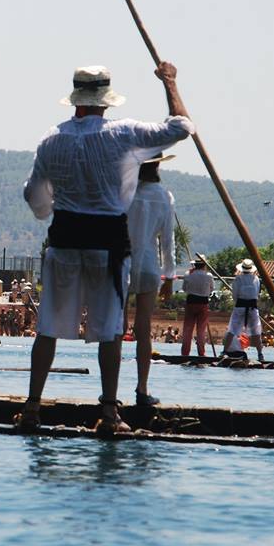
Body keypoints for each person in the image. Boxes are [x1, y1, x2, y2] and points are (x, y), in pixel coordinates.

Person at [14, 61, 194, 435]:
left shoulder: (51, 139)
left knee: (47, 327)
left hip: (63, 240)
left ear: (76, 99)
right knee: (110, 330)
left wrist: (52, 206)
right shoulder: (123, 134)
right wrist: (170, 83)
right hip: (107, 244)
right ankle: (110, 415)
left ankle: (32, 408)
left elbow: (35, 197)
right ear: (106, 101)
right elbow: (181, 127)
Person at [125, 153, 177, 406]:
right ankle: (142, 389)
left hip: (122, 263)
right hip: (148, 265)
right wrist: (169, 275)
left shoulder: (124, 191)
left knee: (116, 328)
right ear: (157, 165)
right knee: (143, 330)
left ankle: (109, 393)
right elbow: (167, 241)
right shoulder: (164, 196)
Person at [222, 259, 265, 362]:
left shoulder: (238, 279)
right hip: (253, 307)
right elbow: (256, 294)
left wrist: (240, 302)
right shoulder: (256, 279)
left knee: (232, 329)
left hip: (240, 306)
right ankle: (260, 354)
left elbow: (235, 296)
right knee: (256, 332)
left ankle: (224, 352)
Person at [181, 256, 215, 357]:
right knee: (201, 330)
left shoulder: (188, 274)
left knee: (187, 329)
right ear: (204, 265)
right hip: (203, 304)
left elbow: (184, 288)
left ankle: (185, 353)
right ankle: (201, 353)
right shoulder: (209, 275)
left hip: (191, 302)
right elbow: (211, 289)